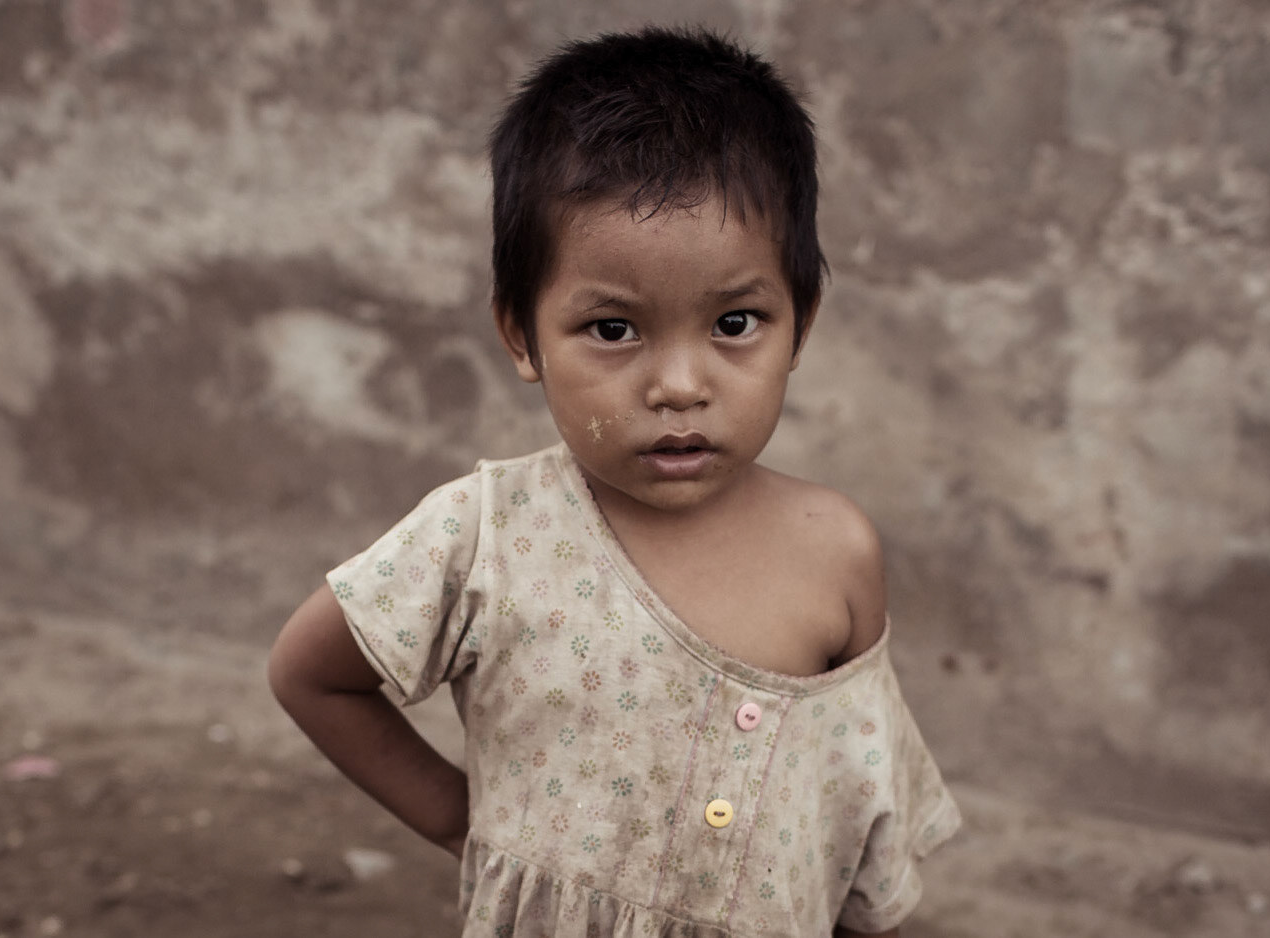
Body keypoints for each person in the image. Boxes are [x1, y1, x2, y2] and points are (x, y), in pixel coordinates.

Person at [267, 26, 959, 937]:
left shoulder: (834, 551)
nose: (678, 385)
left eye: (737, 321)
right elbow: (310, 674)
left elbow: (854, 806)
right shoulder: (487, 534)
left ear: (801, 323)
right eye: (613, 330)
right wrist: (464, 822)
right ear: (520, 335)